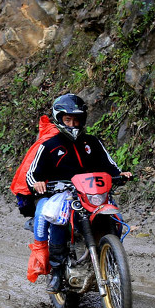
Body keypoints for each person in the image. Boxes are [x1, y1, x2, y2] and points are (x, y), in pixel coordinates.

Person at [26, 93, 130, 293]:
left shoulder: (93, 143)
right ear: (59, 119)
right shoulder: (48, 146)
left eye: (76, 120)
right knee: (59, 219)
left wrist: (120, 175)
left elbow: (110, 167)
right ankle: (56, 272)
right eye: (68, 119)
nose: (72, 124)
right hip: (64, 194)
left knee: (116, 217)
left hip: (92, 194)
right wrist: (38, 184)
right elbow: (32, 175)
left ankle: (113, 261)